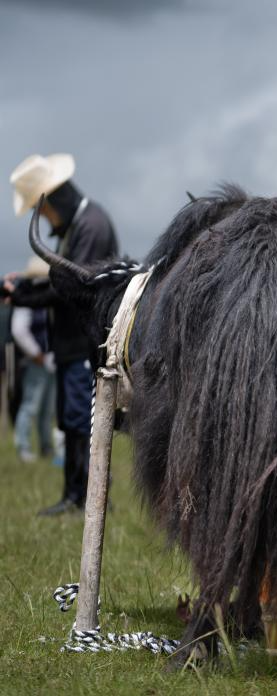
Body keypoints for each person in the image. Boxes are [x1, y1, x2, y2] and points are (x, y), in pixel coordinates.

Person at [5, 153, 119, 515]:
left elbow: (73, 286)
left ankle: (84, 497)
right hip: (71, 345)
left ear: (54, 200)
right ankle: (75, 494)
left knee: (80, 422)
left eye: (44, 212)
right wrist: (21, 290)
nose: (46, 221)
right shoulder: (79, 226)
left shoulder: (92, 225)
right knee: (71, 421)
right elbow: (60, 282)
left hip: (85, 344)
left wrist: (22, 295)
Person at [9, 257, 56, 462]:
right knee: (31, 405)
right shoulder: (27, 298)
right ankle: (23, 445)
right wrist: (37, 354)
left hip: (50, 360)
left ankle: (46, 447)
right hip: (35, 361)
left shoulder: (46, 299)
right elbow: (19, 331)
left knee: (47, 409)